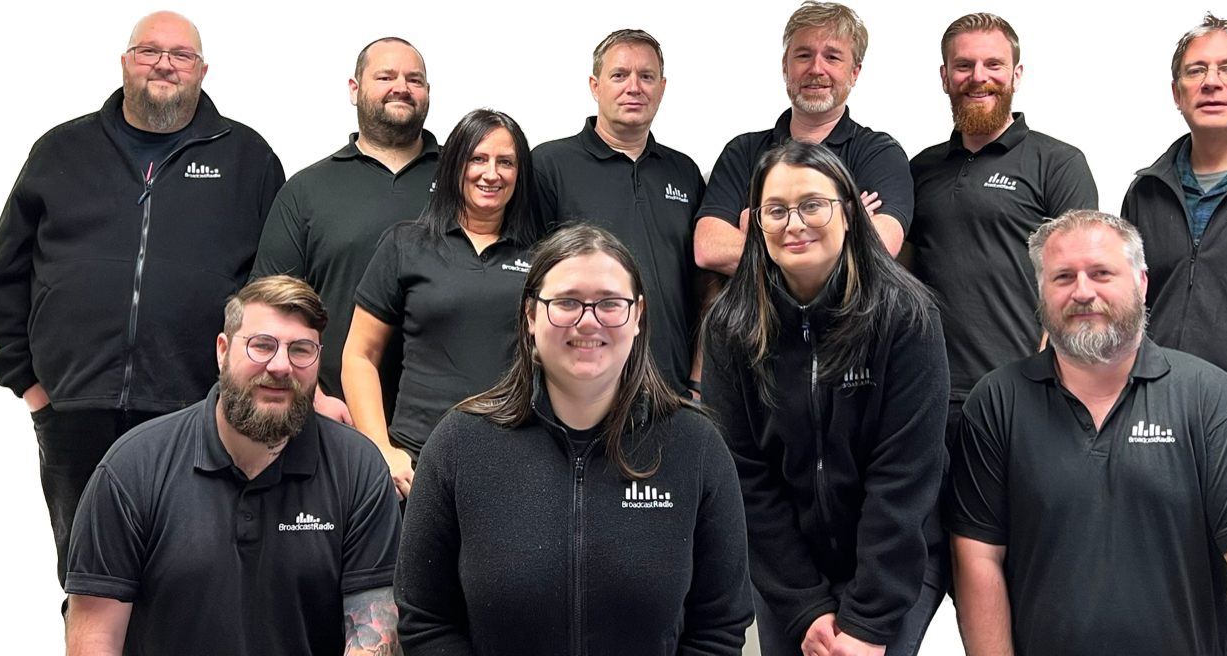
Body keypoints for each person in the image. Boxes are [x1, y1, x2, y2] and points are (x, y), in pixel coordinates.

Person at [0, 10, 284, 593]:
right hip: (74, 408)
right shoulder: (60, 149)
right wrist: (27, 382)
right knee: (86, 572)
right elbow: (8, 271)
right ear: (125, 63)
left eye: (180, 55)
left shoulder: (248, 159)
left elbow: (273, 285)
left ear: (203, 71)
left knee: (190, 568)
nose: (163, 64)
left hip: (196, 406)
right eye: (149, 51)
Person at [395, 224, 753, 654]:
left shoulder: (695, 448)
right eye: (566, 302)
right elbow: (425, 619)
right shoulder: (458, 444)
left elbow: (720, 626)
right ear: (530, 315)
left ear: (637, 315)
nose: (589, 320)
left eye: (610, 303)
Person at [948, 209, 1227, 655]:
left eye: (1101, 273)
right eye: (1063, 277)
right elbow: (978, 556)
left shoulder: (1209, 397)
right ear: (1041, 292)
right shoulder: (997, 402)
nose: (1083, 292)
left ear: (1141, 283)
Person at [64, 276, 402, 656]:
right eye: (261, 346)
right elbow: (95, 640)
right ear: (222, 350)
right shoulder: (132, 469)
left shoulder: (358, 470)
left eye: (301, 350)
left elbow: (374, 636)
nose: (280, 366)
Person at [705, 140, 948, 656]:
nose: (795, 223)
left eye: (813, 204)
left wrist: (867, 622)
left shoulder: (905, 317)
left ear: (849, 213)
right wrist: (805, 606)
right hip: (790, 575)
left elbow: (904, 477)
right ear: (758, 225)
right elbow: (745, 477)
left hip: (894, 565)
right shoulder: (730, 328)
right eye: (776, 210)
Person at [907, 11, 1098, 447]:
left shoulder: (1058, 162)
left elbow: (1078, 276)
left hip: (1022, 395)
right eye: (963, 66)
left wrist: (1047, 381)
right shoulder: (920, 167)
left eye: (993, 65)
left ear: (1017, 74)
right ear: (944, 77)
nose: (979, 78)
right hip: (928, 397)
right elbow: (901, 272)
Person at [343, 107, 539, 499]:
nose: (491, 173)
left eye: (506, 162)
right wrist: (381, 449)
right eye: (477, 158)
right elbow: (359, 355)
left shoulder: (544, 257)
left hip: (517, 458)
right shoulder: (406, 244)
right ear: (454, 165)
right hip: (417, 462)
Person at [251, 36, 439, 425]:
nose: (401, 87)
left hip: (442, 420)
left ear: (428, 93)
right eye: (385, 76)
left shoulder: (465, 184)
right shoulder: (307, 189)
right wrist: (312, 395)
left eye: (414, 79)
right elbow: (267, 305)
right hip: (333, 416)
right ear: (354, 90)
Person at [1121, 11, 1227, 446]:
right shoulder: (1145, 192)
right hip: (1155, 423)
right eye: (1196, 70)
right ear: (1176, 93)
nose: (1211, 82)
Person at [532, 29, 704, 396]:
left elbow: (701, 286)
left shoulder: (684, 172)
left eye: (646, 76)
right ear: (594, 86)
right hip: (580, 387)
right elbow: (527, 281)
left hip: (671, 388)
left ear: (662, 87)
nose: (634, 87)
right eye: (619, 75)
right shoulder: (549, 166)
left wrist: (697, 379)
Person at [695, 1, 911, 274]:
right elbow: (708, 248)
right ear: (785, 67)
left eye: (832, 57)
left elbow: (881, 246)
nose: (816, 69)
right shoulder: (743, 152)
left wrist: (759, 235)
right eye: (803, 55)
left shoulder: (880, 154)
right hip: (758, 317)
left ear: (855, 73)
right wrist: (841, 225)